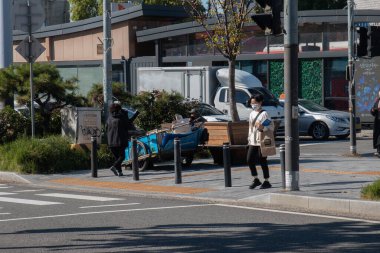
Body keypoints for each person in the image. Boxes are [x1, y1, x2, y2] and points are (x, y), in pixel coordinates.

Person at [247, 94, 274, 189]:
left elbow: (271, 127)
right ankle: (256, 179)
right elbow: (250, 127)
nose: (253, 105)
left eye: (255, 103)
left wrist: (262, 128)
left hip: (261, 140)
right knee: (249, 160)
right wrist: (249, 138)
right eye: (251, 103)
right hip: (253, 141)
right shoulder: (251, 113)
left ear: (260, 102)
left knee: (262, 160)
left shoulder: (264, 114)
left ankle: (267, 181)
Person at [106, 103, 130, 176]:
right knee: (122, 156)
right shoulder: (121, 117)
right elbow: (128, 125)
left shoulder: (109, 118)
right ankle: (114, 166)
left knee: (117, 157)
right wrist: (126, 114)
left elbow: (106, 128)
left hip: (111, 141)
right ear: (119, 109)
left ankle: (120, 172)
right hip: (120, 140)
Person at [370, 91, 380, 157]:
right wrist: (372, 110)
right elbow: (373, 112)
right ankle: (378, 151)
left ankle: (379, 151)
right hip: (377, 121)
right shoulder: (377, 101)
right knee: (377, 136)